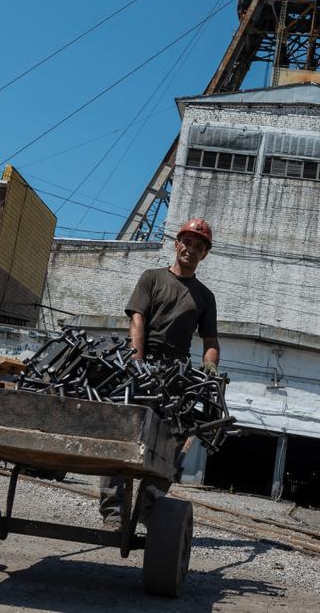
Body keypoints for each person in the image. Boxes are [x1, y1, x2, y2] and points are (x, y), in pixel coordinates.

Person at [98, 217, 220, 526]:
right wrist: (137, 363)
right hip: (143, 363)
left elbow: (210, 341)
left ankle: (148, 509)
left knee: (172, 443)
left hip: (177, 373)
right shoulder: (152, 278)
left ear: (204, 254)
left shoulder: (205, 297)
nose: (190, 250)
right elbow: (137, 319)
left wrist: (209, 370)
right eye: (187, 243)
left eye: (198, 247)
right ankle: (113, 510)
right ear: (177, 244)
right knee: (124, 434)